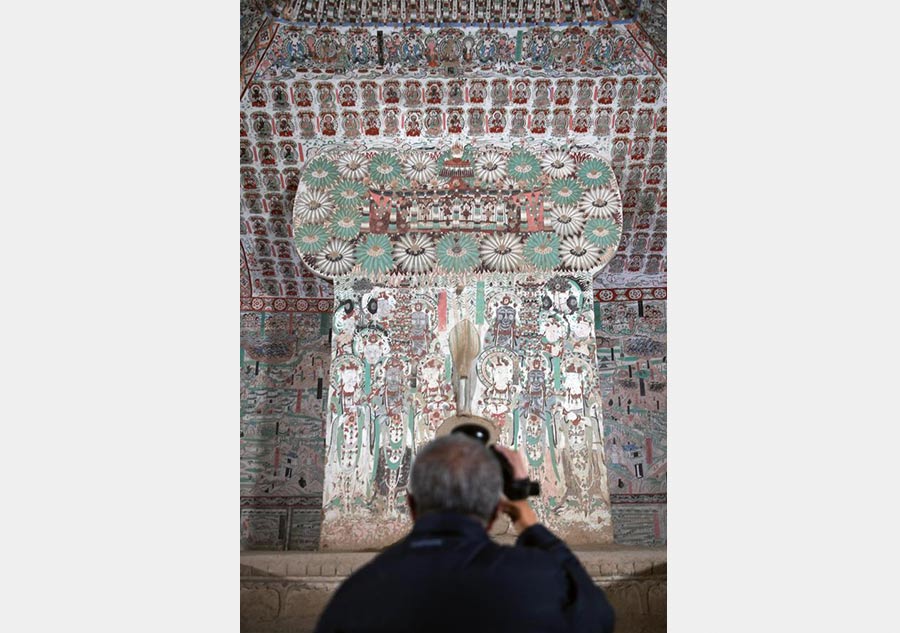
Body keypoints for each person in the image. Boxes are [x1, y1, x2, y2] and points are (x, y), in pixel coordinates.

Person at [313, 434, 615, 633]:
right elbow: (599, 618)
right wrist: (525, 516)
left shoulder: (357, 594)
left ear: (411, 505)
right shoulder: (539, 580)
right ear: (496, 510)